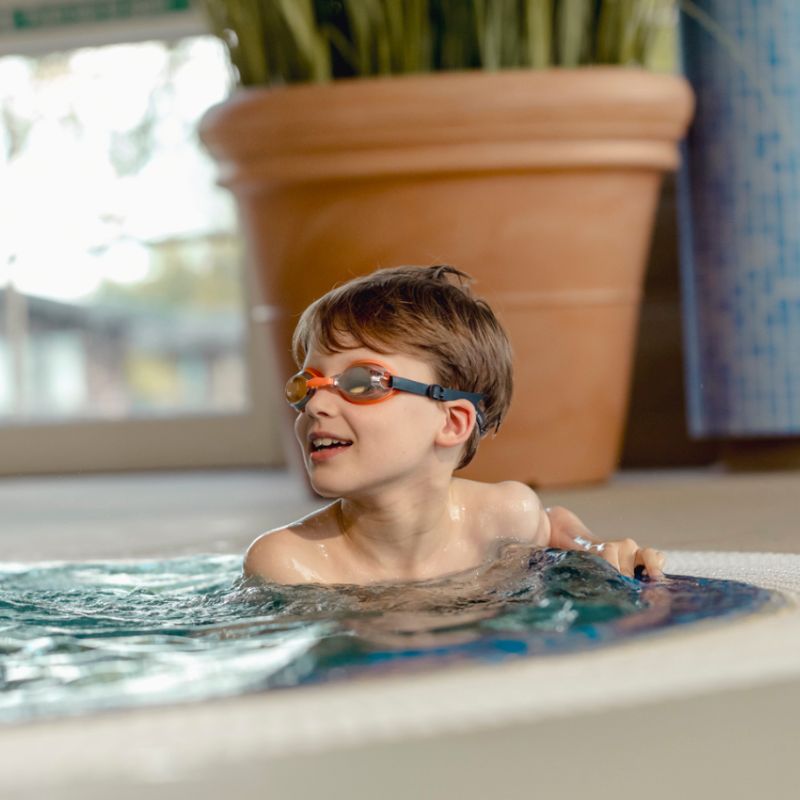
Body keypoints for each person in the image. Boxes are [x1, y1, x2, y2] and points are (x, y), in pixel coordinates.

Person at [244, 264, 666, 586]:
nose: (316, 403)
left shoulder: (499, 517)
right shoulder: (291, 562)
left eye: (362, 382)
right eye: (307, 385)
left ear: (453, 422)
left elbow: (549, 521)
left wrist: (593, 548)